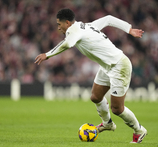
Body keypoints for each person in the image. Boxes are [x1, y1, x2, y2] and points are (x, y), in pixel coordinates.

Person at [35, 8, 147, 143]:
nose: (58, 28)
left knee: (117, 109)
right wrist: (129, 29)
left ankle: (139, 130)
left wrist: (47, 55)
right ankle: (108, 124)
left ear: (68, 23)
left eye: (59, 24)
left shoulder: (73, 31)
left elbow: (68, 43)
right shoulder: (87, 26)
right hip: (107, 66)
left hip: (119, 66)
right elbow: (109, 19)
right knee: (95, 97)